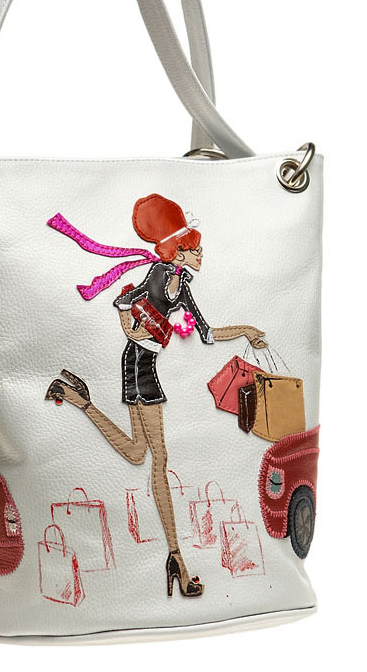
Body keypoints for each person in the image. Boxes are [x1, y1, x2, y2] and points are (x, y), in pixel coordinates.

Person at [45, 193, 269, 598]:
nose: (201, 254)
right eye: (195, 249)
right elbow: (123, 301)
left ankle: (80, 400)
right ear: (179, 250)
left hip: (143, 365)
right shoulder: (158, 274)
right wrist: (133, 328)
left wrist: (247, 331)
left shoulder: (181, 288)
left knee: (138, 453)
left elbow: (206, 333)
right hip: (137, 363)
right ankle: (177, 558)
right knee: (158, 459)